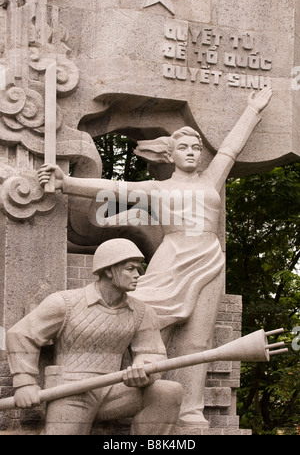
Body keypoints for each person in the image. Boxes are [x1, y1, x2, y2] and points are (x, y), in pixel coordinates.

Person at [38, 87, 273, 427]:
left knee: (197, 339)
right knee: (149, 322)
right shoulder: (156, 189)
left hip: (209, 259)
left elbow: (230, 150)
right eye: (183, 147)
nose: (192, 152)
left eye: (195, 148)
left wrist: (252, 109)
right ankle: (122, 393)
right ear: (168, 155)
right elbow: (115, 188)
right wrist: (66, 182)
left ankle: (190, 410)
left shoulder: (211, 180)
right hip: (172, 257)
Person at [6, 239, 183, 435]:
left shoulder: (142, 312)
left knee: (167, 392)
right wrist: (25, 383)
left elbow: (152, 351)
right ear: (108, 271)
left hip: (116, 388)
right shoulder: (65, 303)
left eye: (138, 269)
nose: (137, 275)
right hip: (71, 390)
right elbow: (21, 334)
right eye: (130, 269)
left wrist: (144, 368)